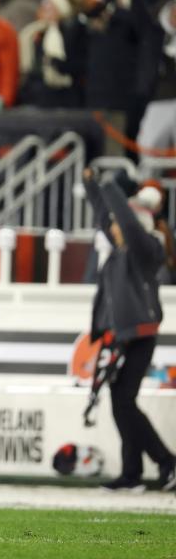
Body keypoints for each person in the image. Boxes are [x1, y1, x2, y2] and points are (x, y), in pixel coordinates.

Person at [81, 167, 176, 493]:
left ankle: (166, 462)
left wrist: (110, 187)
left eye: (120, 223)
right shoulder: (122, 250)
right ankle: (132, 472)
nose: (114, 228)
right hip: (124, 335)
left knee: (124, 401)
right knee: (120, 400)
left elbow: (126, 221)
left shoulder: (145, 248)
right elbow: (104, 216)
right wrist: (91, 185)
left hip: (140, 334)